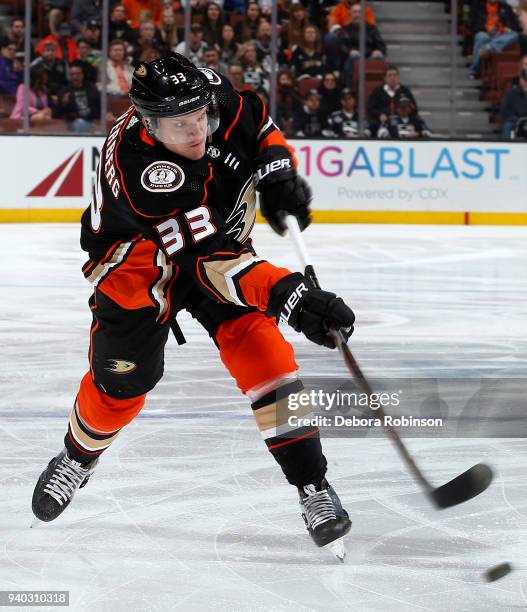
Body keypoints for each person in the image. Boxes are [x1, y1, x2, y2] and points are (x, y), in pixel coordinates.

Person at [31, 53, 354, 555]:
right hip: (140, 266)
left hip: (213, 241)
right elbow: (209, 262)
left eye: (200, 116)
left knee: (269, 363)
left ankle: (312, 484)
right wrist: (288, 295)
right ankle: (78, 456)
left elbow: (256, 118)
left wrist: (276, 174)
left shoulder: (205, 96)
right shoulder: (146, 172)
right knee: (122, 383)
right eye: (180, 125)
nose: (196, 129)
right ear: (148, 121)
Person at [468, 0, 520, 78]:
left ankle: (489, 47)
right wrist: (486, 29)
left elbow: (515, 25)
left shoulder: (505, 7)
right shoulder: (478, 6)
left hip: (502, 35)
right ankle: (474, 70)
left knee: (515, 35)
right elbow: (473, 25)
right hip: (486, 33)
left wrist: (508, 28)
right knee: (481, 36)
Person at [367, 64, 420, 137]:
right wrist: (379, 114)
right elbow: (370, 108)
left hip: (401, 122)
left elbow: (414, 108)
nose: (392, 78)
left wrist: (404, 112)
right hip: (383, 122)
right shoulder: (378, 91)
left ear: (398, 77)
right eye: (390, 75)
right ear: (385, 78)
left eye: (395, 75)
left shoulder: (405, 91)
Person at [58, 61, 100, 132]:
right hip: (74, 122)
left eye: (77, 74)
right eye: (72, 74)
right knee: (80, 123)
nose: (75, 77)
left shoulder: (91, 88)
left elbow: (99, 104)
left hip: (92, 120)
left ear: (82, 75)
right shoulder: (64, 90)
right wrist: (64, 103)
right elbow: (59, 112)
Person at [500, 68, 527, 138]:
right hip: (515, 120)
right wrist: (515, 119)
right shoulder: (512, 93)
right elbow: (504, 110)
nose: (526, 82)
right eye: (525, 79)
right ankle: (506, 145)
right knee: (507, 126)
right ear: (521, 80)